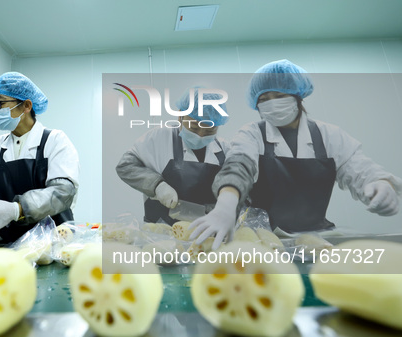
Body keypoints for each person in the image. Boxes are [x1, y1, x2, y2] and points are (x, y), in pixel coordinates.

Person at [189, 59, 402, 249]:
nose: (272, 103)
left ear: (297, 97)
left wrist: (381, 183)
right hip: (262, 239)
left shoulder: (329, 135)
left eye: (279, 95)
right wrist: (226, 204)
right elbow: (238, 165)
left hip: (315, 237)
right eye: (264, 99)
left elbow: (360, 168)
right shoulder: (253, 133)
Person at [0, 72, 79, 243]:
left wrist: (17, 209)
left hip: (52, 243)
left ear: (26, 106)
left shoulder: (55, 140)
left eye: (0, 102)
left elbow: (62, 192)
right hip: (4, 243)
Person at [116, 88, 230, 225]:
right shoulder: (159, 138)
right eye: (194, 128)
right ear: (180, 116)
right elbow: (125, 166)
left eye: (209, 131)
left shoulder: (225, 149)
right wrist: (157, 186)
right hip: (161, 235)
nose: (200, 135)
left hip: (208, 235)